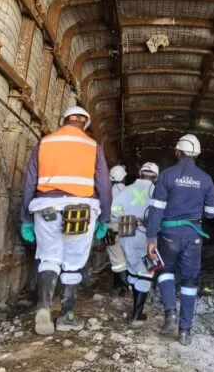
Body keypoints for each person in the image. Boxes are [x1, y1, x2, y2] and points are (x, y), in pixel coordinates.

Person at [19, 106, 112, 336]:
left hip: (46, 209)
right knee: (73, 261)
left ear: (64, 121)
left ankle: (43, 307)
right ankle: (66, 316)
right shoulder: (93, 147)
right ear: (85, 123)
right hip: (80, 212)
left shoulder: (46, 142)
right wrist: (105, 218)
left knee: (48, 257)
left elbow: (29, 182)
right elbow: (104, 186)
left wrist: (25, 219)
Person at [145, 133, 214, 346]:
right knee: (189, 281)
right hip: (193, 236)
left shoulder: (167, 176)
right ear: (196, 154)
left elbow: (156, 210)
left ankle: (170, 315)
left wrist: (151, 238)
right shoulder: (205, 179)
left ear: (178, 152)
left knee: (164, 271)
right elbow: (213, 212)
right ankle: (185, 331)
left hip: (168, 235)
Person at [110, 161, 160, 326]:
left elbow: (114, 210)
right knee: (146, 271)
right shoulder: (158, 192)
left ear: (140, 174)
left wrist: (124, 217)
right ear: (156, 177)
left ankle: (134, 306)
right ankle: (137, 314)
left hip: (127, 233)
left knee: (132, 268)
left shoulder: (127, 190)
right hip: (148, 235)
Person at [106, 165, 130, 294]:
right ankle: (125, 286)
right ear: (123, 178)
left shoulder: (106, 192)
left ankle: (121, 287)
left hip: (111, 227)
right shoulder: (128, 191)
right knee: (126, 255)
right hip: (127, 226)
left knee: (116, 259)